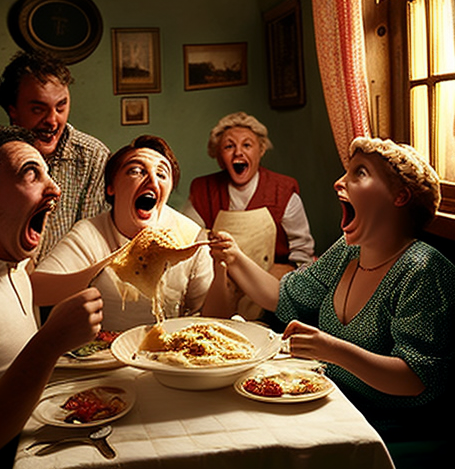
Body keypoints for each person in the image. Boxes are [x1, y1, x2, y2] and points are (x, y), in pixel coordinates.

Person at [205, 136, 455, 443]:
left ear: (400, 196)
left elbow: (415, 378)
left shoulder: (423, 270)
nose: (339, 182)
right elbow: (281, 297)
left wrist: (332, 350)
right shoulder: (347, 251)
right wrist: (234, 256)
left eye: (359, 173)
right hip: (333, 408)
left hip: (394, 434)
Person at [0, 124, 103, 468]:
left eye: (48, 172)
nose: (55, 188)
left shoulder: (7, 253)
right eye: (32, 174)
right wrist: (51, 340)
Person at [31, 135, 219, 331]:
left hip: (168, 353)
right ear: (111, 187)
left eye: (162, 174)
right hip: (105, 354)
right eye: (136, 171)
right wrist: (112, 261)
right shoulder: (90, 232)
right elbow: (39, 291)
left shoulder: (189, 235)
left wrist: (222, 268)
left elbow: (208, 313)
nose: (152, 181)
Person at [183, 111, 314, 321]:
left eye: (247, 145)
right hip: (221, 279)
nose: (238, 153)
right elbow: (187, 240)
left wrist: (290, 272)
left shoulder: (282, 189)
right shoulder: (203, 190)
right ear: (218, 157)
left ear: (260, 150)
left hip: (269, 281)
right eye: (229, 146)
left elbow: (302, 251)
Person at [0, 50, 110, 262]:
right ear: (13, 110)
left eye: (61, 107)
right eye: (38, 109)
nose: (52, 120)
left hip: (73, 280)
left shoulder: (93, 157)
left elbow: (92, 243)